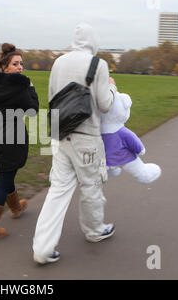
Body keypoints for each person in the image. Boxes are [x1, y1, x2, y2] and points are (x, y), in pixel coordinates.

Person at [33, 23, 117, 264]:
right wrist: (111, 87)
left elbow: (51, 97)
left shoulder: (58, 62)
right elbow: (105, 104)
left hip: (61, 135)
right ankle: (94, 230)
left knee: (57, 191)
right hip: (87, 138)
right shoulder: (98, 65)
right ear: (94, 41)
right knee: (91, 186)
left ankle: (42, 249)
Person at [0, 43, 39, 242]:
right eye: (15, 64)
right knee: (4, 178)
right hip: (10, 135)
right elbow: (32, 110)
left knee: (6, 171)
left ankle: (15, 207)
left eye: (21, 63)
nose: (20, 67)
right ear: (5, 67)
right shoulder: (19, 87)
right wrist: (31, 89)